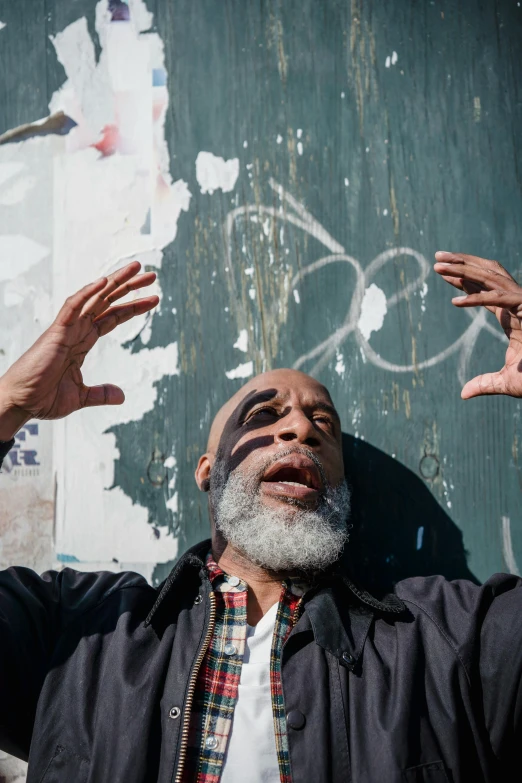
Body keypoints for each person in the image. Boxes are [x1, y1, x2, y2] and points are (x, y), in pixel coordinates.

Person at [0, 251, 521, 783]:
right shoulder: (79, 632)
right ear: (208, 469)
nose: (301, 429)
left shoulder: (445, 640)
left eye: (324, 423)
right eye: (264, 415)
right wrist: (7, 406)